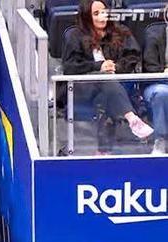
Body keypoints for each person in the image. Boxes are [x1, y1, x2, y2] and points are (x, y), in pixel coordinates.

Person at [62, 0, 153, 153]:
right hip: (82, 88)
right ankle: (132, 119)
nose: (102, 17)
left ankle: (103, 151)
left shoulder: (121, 32)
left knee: (105, 96)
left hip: (114, 87)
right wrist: (98, 67)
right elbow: (70, 66)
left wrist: (115, 67)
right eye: (96, 13)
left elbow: (132, 56)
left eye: (104, 12)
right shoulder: (75, 36)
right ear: (86, 16)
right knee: (104, 79)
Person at [141, 22, 168, 154]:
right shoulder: (154, 34)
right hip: (157, 83)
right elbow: (150, 67)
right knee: (162, 93)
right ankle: (161, 140)